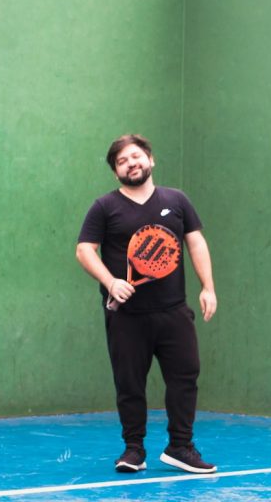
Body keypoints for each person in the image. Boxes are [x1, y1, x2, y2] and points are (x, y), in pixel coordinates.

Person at [76, 134, 218, 474]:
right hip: (127, 317)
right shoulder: (104, 207)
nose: (131, 163)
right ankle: (133, 450)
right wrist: (110, 282)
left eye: (136, 156)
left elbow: (195, 243)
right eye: (122, 161)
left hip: (174, 312)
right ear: (116, 173)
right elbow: (84, 250)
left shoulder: (177, 201)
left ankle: (180, 447)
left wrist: (208, 287)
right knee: (129, 384)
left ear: (150, 160)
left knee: (185, 377)